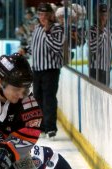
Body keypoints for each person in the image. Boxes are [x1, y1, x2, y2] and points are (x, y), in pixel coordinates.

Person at [30, 2, 64, 140]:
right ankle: (41, 127)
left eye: (45, 14)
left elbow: (57, 47)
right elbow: (34, 47)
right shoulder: (37, 28)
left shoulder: (56, 28)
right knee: (37, 99)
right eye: (40, 14)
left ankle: (50, 128)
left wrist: (47, 32)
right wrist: (25, 50)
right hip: (37, 70)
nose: (42, 17)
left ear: (50, 15)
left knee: (49, 99)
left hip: (50, 70)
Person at [89, 3, 112, 86]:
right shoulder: (92, 30)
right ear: (97, 16)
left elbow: (106, 46)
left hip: (106, 69)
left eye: (105, 15)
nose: (103, 17)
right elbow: (93, 47)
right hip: (96, 70)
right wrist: (101, 31)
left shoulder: (108, 31)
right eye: (101, 15)